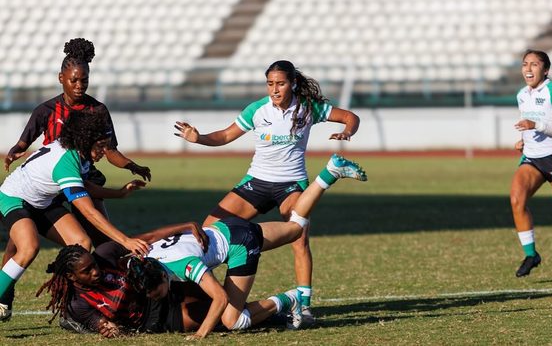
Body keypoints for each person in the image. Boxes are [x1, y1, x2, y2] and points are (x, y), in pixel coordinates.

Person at [173, 60, 360, 323]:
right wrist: (199, 138)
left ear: (292, 83)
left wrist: (347, 131)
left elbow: (351, 117)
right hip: (257, 182)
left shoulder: (308, 108)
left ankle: (304, 307)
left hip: (292, 185)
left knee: (299, 238)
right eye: (270, 84)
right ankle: (211, 298)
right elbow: (226, 136)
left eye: (280, 83)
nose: (274, 89)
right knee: (208, 230)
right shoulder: (257, 110)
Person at [135, 154, 367, 339]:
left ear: (164, 279)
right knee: (296, 228)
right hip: (225, 228)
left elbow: (220, 298)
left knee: (231, 321)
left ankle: (289, 299)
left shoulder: (185, 265)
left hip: (239, 245)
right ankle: (329, 173)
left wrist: (200, 334)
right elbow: (152, 235)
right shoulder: (145, 255)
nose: (154, 298)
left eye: (155, 293)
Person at [0, 38, 151, 318]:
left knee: (84, 245)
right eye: (101, 147)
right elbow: (88, 210)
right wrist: (127, 241)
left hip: (48, 195)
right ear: (62, 79)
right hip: (18, 196)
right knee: (27, 245)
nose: (105, 152)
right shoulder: (62, 148)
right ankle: (3, 295)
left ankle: (77, 306)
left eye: (85, 80)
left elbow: (89, 184)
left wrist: (121, 189)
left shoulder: (87, 135)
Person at [36, 223, 214, 337]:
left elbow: (146, 239)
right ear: (71, 276)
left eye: (93, 265)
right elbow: (113, 330)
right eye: (87, 271)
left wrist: (186, 226)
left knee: (218, 297)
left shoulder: (105, 254)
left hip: (160, 290)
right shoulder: (78, 304)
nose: (95, 271)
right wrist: (111, 330)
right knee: (217, 316)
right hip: (153, 320)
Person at [510, 50, 552, 277]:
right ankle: (531, 254)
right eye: (525, 64)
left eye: (534, 64)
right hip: (532, 158)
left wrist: (535, 125)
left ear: (545, 70)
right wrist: (523, 140)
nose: (528, 68)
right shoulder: (522, 95)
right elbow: (529, 125)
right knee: (517, 199)